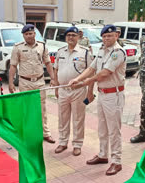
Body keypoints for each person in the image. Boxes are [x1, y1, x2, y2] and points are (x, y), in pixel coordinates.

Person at [68, 24, 126, 176]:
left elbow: (104, 73)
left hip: (114, 95)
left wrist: (85, 83)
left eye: (109, 36)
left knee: (114, 130)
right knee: (102, 128)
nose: (106, 38)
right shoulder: (101, 50)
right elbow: (92, 69)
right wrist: (77, 78)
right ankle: (102, 155)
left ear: (116, 36)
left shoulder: (117, 52)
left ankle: (116, 161)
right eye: (104, 36)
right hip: (102, 94)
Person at [9, 24, 56, 144]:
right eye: (26, 34)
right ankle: (27, 134)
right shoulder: (17, 48)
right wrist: (10, 82)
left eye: (31, 33)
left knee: (42, 109)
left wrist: (53, 78)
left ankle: (45, 133)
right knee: (26, 109)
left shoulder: (42, 46)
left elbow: (48, 63)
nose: (29, 36)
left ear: (35, 34)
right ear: (23, 35)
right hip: (25, 82)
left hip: (40, 82)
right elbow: (13, 65)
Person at [53, 26, 94, 156]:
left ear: (78, 37)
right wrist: (56, 86)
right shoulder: (60, 51)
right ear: (65, 37)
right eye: (68, 35)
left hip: (78, 90)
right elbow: (55, 70)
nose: (71, 37)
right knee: (62, 117)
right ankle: (63, 142)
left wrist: (90, 92)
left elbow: (92, 73)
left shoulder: (85, 52)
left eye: (73, 35)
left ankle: (77, 144)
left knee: (78, 118)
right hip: (63, 90)